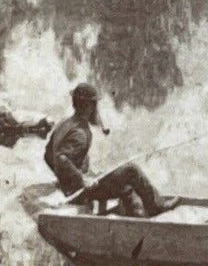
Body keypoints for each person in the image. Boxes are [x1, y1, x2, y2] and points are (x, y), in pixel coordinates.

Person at [44, 82, 179, 217]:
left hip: (70, 187)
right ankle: (157, 207)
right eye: (95, 105)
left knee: (123, 182)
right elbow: (61, 157)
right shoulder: (80, 133)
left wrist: (64, 179)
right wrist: (82, 179)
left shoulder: (65, 123)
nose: (96, 110)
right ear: (89, 107)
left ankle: (136, 219)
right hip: (80, 192)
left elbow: (48, 155)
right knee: (131, 170)